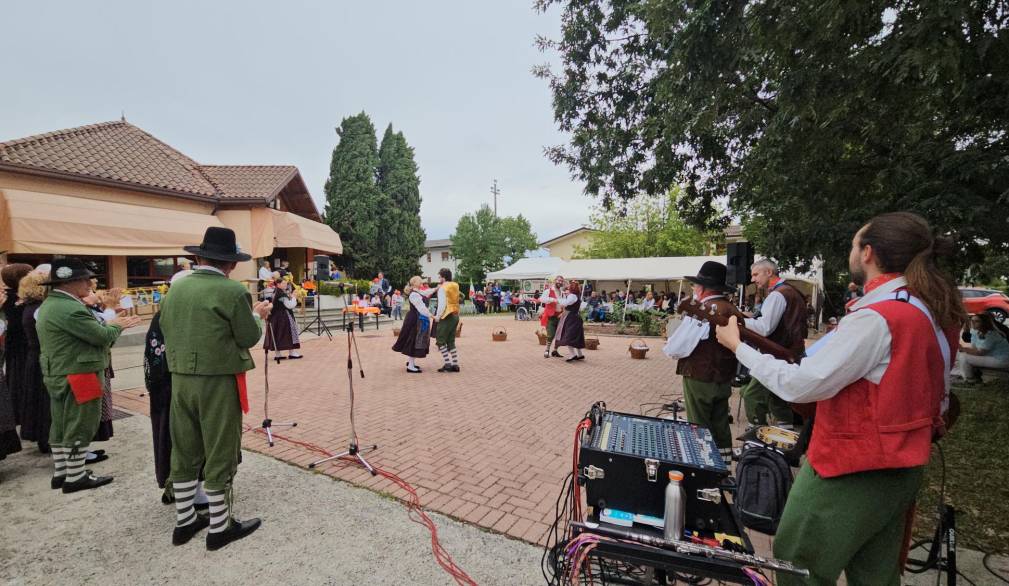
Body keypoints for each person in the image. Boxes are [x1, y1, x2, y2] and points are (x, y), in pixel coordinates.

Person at [715, 212, 965, 585]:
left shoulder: (879, 317)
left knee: (797, 561)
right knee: (875, 574)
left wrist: (738, 347)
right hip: (901, 466)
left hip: (851, 466)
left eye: (853, 244)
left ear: (868, 253)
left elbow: (802, 384)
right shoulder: (924, 307)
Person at [159, 227, 272, 550]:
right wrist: (258, 317)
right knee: (220, 447)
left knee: (184, 447)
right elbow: (248, 337)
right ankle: (220, 527)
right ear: (231, 264)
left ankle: (184, 520)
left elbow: (166, 327)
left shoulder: (176, 290)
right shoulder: (232, 292)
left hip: (180, 377)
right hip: (218, 377)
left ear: (198, 256)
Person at [37, 258, 140, 493]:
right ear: (71, 282)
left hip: (61, 370)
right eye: (85, 279)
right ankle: (76, 476)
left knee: (62, 422)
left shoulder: (53, 304)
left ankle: (63, 472)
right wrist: (117, 325)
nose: (90, 283)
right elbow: (100, 336)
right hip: (79, 372)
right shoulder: (71, 308)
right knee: (80, 422)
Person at [661, 261, 736, 460]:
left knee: (699, 425)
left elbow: (677, 346)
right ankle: (724, 466)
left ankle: (703, 466)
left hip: (700, 377)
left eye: (695, 285)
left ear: (702, 288)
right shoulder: (731, 308)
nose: (693, 289)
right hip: (724, 377)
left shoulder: (704, 310)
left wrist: (670, 342)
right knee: (720, 423)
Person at [738, 259, 808, 430]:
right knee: (777, 397)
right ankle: (785, 435)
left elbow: (764, 328)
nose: (753, 279)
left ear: (769, 272)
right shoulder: (789, 291)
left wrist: (739, 320)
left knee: (751, 395)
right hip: (788, 353)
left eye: (756, 274)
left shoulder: (778, 294)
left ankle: (757, 434)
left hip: (779, 354)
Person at [17, 270, 52, 453]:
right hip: (41, 356)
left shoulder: (27, 307)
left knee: (36, 399)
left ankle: (40, 435)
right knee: (45, 401)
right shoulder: (39, 309)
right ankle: (47, 438)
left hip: (33, 356)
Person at [3, 263, 34, 438]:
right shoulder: (14, 300)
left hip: (16, 349)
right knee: (23, 384)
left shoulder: (14, 298)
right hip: (22, 349)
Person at [392, 276, 435, 373]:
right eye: (420, 282)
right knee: (413, 340)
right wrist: (432, 316)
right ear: (415, 283)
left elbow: (426, 292)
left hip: (415, 318)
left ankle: (410, 363)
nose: (421, 283)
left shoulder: (417, 292)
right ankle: (410, 366)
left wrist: (436, 288)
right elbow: (421, 308)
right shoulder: (414, 294)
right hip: (414, 319)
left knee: (413, 340)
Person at [955, 312, 1009, 382]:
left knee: (964, 357)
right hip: (990, 356)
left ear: (984, 323)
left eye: (977, 321)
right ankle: (970, 375)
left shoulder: (992, 334)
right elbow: (974, 348)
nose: (973, 323)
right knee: (960, 355)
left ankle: (970, 380)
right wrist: (964, 350)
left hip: (1002, 360)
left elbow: (980, 352)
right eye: (972, 320)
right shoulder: (975, 331)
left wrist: (962, 348)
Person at [263, 278, 302, 362]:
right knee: (289, 333)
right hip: (283, 317)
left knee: (277, 334)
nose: (285, 285)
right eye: (284, 283)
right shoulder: (281, 294)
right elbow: (289, 305)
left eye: (286, 283)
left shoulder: (275, 292)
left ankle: (278, 354)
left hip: (276, 317)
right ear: (278, 284)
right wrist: (294, 297)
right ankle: (292, 353)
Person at [433, 268, 461, 373]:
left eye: (439, 276)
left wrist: (437, 316)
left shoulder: (442, 288)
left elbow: (442, 305)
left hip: (446, 316)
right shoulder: (455, 285)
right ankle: (455, 364)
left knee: (440, 341)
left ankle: (448, 364)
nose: (439, 278)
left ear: (443, 277)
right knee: (451, 341)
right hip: (455, 315)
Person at [553, 281, 586, 362]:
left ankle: (573, 354)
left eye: (569, 287)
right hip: (576, 317)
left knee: (568, 336)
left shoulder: (572, 296)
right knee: (576, 337)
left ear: (571, 288)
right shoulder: (577, 296)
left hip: (571, 318)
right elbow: (581, 308)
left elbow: (565, 303)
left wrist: (558, 300)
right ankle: (580, 354)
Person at [539, 276, 565, 358]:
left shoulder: (562, 293)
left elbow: (564, 303)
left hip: (560, 316)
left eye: (561, 281)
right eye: (559, 280)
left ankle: (555, 350)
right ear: (555, 281)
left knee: (559, 334)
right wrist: (552, 299)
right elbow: (541, 299)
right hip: (550, 315)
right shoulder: (548, 291)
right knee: (551, 334)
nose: (560, 282)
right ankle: (547, 350)